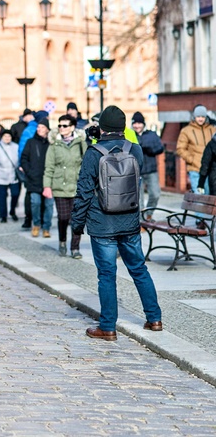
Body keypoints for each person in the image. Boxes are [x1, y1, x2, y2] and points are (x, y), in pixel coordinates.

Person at [71, 106, 163, 341]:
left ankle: (108, 326)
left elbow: (83, 190)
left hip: (102, 223)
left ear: (101, 127)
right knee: (139, 270)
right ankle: (154, 319)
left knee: (107, 275)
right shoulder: (135, 150)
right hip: (129, 220)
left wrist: (77, 225)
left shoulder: (93, 152)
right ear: (122, 127)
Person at [43, 115, 87, 258]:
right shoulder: (54, 145)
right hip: (59, 187)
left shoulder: (81, 143)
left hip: (77, 187)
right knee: (63, 217)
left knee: (77, 220)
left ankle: (75, 248)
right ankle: (62, 241)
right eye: (60, 125)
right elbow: (48, 167)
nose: (61, 128)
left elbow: (86, 165)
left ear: (73, 127)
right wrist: (47, 186)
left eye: (65, 125)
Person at [21, 117, 53, 238]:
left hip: (48, 180)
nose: (39, 129)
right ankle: (36, 224)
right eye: (38, 127)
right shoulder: (31, 142)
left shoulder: (51, 143)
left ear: (47, 129)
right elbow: (24, 158)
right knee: (35, 202)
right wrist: (29, 171)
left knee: (49, 205)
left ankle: (46, 227)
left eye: (42, 127)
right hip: (34, 179)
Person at [131, 112, 164, 220]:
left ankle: (148, 214)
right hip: (136, 171)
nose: (137, 126)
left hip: (151, 169)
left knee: (155, 194)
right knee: (138, 198)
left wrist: (149, 149)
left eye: (139, 123)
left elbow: (160, 148)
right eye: (135, 123)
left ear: (143, 124)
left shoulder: (151, 135)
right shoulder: (130, 135)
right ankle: (141, 220)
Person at [177, 104, 216, 194]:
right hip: (195, 168)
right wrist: (192, 159)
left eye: (203, 116)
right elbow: (180, 148)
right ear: (194, 117)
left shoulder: (212, 129)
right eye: (198, 116)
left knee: (209, 197)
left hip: (209, 169)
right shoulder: (186, 131)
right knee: (199, 197)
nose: (200, 119)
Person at [0, 129, 20, 223]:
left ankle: (12, 210)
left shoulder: (16, 146)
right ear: (2, 137)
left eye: (9, 136)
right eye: (5, 136)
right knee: (2, 196)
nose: (7, 138)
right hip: (1, 175)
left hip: (13, 174)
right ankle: (3, 215)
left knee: (15, 194)